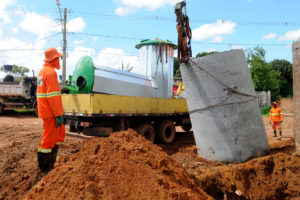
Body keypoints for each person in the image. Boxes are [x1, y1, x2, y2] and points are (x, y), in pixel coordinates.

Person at [36, 47, 66, 173]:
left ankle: (50, 164)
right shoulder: (51, 73)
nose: (59, 60)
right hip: (51, 112)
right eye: (58, 58)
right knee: (48, 140)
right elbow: (53, 97)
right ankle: (45, 168)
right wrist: (58, 115)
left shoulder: (42, 72)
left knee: (59, 136)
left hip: (46, 110)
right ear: (54, 59)